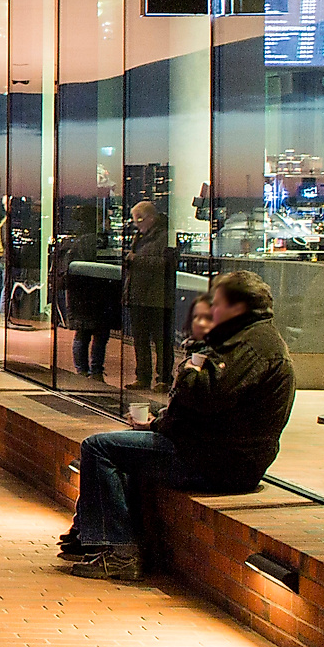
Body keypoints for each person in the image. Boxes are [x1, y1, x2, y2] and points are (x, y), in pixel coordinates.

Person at [62, 271, 295, 581]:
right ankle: (90, 538)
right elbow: (201, 410)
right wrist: (157, 424)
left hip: (218, 462)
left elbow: (206, 396)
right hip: (212, 451)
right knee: (122, 451)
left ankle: (118, 551)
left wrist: (189, 368)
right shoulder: (247, 338)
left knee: (99, 448)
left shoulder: (252, 347)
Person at [49, 205, 121, 381]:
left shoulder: (76, 240)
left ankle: (82, 370)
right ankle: (95, 371)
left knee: (83, 333)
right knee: (98, 335)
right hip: (98, 294)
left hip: (81, 295)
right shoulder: (98, 241)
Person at [124, 202, 178, 391]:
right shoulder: (140, 237)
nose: (136, 224)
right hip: (139, 296)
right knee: (140, 340)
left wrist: (136, 260)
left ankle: (163, 379)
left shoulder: (165, 237)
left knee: (162, 341)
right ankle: (143, 377)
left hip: (158, 299)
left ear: (151, 218)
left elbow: (166, 264)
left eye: (139, 219)